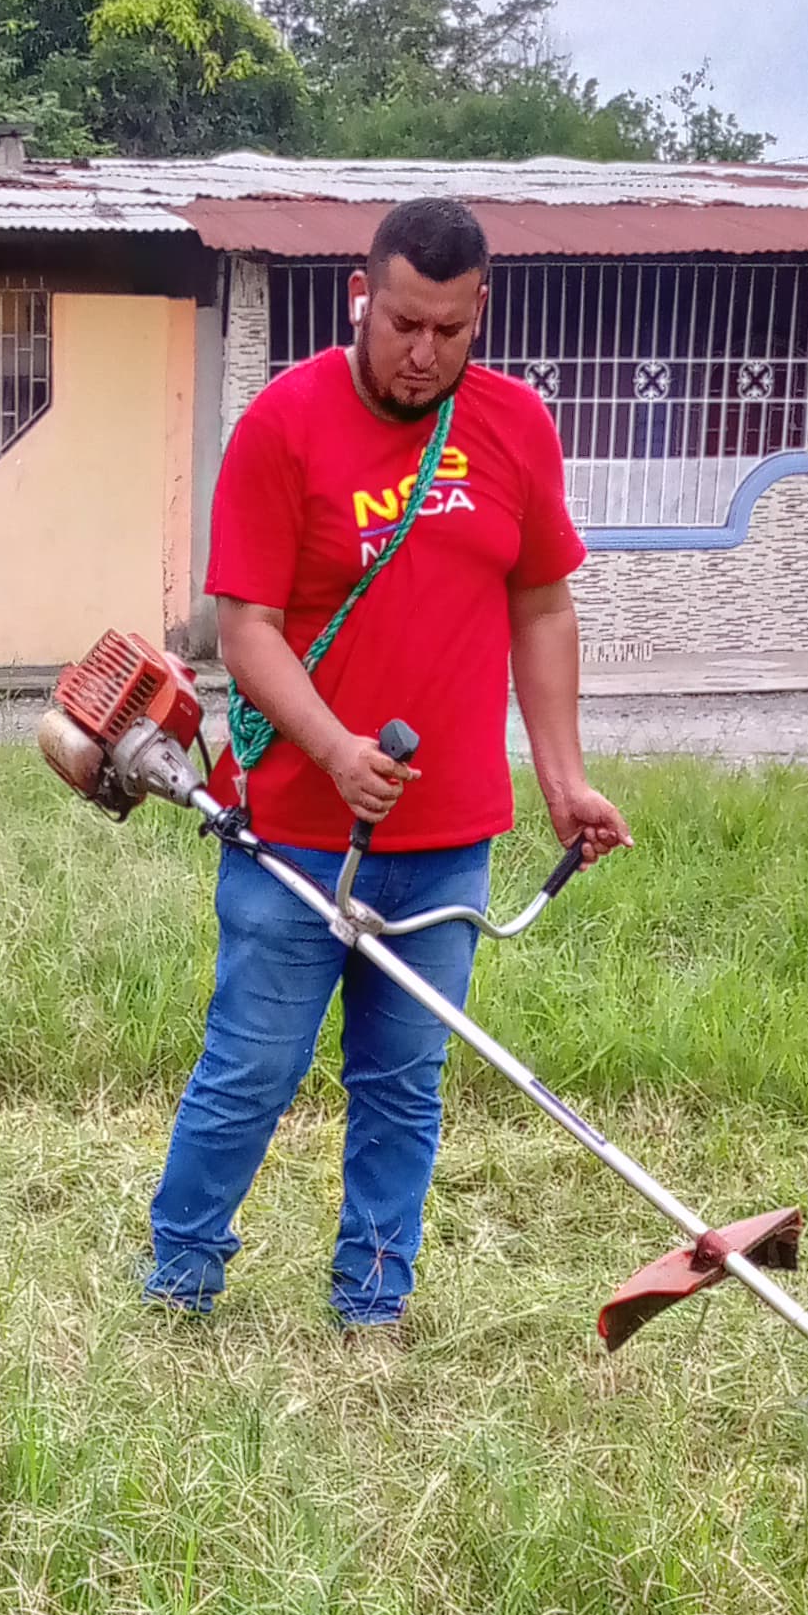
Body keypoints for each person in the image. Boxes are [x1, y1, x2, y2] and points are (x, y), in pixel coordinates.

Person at [143, 194, 631, 1335]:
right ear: (360, 297)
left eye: (450, 330)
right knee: (251, 1072)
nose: (423, 352)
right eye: (404, 323)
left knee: (404, 1084)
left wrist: (564, 781)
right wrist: (334, 749)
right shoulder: (285, 425)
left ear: (480, 312)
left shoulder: (514, 426)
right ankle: (181, 1281)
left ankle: (373, 1301)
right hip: (297, 835)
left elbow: (543, 607)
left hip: (448, 839)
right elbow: (247, 627)